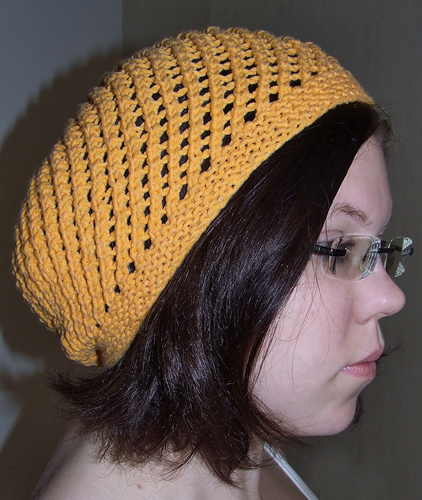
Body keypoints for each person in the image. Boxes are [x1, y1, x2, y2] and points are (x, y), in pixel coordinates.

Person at [13, 27, 413, 499]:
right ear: (194, 274)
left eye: (376, 247)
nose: (390, 297)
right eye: (339, 247)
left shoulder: (244, 449)